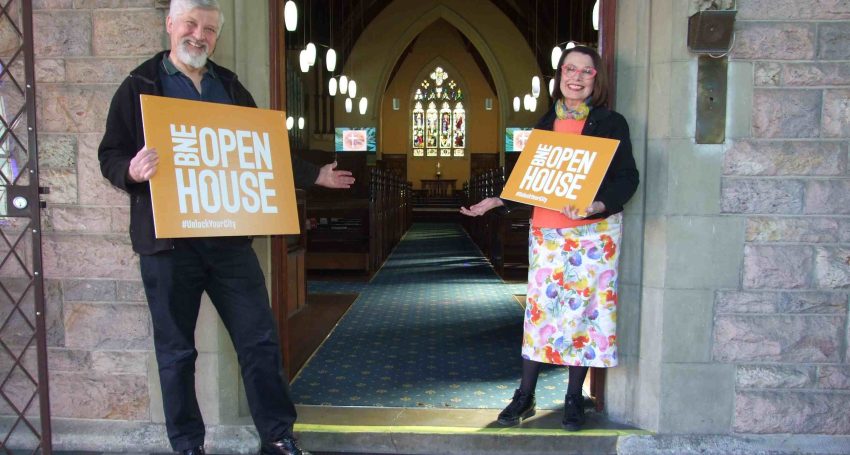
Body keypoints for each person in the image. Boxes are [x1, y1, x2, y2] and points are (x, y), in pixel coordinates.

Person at [97, 1, 354, 454]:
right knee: (176, 354)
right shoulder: (139, 84)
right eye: (191, 25)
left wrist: (314, 174)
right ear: (170, 25)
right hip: (168, 246)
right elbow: (110, 154)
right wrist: (131, 172)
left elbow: (264, 148)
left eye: (210, 29)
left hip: (229, 242)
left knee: (259, 341)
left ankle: (277, 438)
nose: (199, 36)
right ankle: (188, 447)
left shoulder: (229, 86)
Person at [460, 45, 638, 431]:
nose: (575, 77)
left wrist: (597, 204)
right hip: (549, 233)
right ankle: (525, 395)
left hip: (594, 234)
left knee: (585, 315)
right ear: (558, 76)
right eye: (568, 69)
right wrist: (496, 200)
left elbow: (628, 178)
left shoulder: (611, 123)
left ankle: (573, 397)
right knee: (540, 316)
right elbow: (530, 180)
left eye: (585, 71)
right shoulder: (544, 125)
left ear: (597, 78)